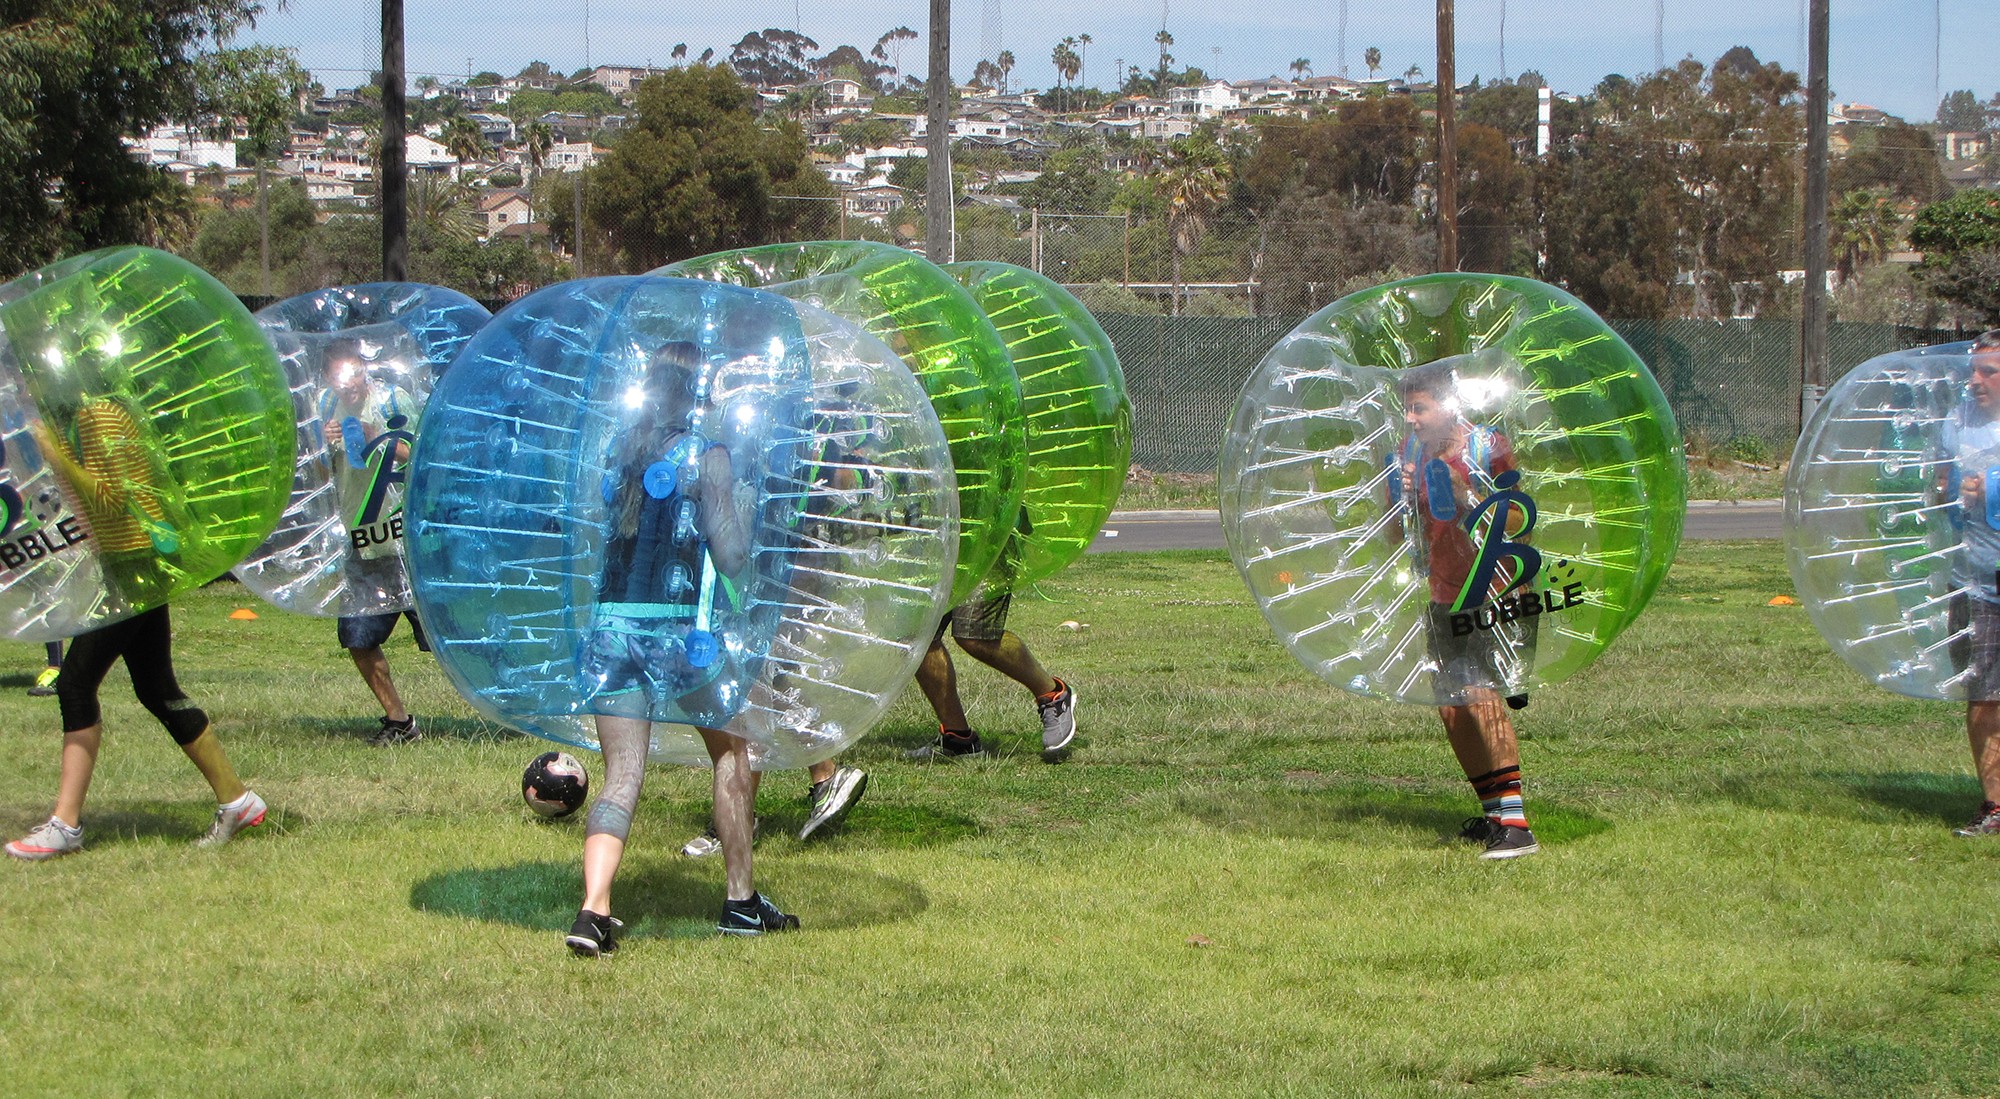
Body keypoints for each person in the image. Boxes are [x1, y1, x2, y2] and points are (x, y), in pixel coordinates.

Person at [566, 342, 797, 957]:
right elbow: (731, 556)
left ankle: (593, 911)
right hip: (680, 638)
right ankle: (740, 901)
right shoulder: (707, 456)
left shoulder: (620, 452)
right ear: (699, 394)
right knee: (733, 748)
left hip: (611, 631)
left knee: (623, 776)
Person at [6, 401, 264, 860]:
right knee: (157, 689)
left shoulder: (99, 416)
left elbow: (113, 498)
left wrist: (55, 452)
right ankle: (237, 800)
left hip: (139, 563)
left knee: (75, 683)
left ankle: (65, 824)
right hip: (128, 561)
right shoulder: (75, 419)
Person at [1392, 361, 1539, 859]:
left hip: (1491, 589)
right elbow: (1398, 531)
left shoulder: (1486, 448)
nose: (1411, 419)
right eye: (1406, 408)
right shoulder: (1410, 452)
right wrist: (1400, 494)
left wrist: (1463, 494)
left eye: (1420, 408)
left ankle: (1517, 826)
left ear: (1446, 405)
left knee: (1479, 692)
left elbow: (1519, 520)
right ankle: (1494, 813)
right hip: (1442, 592)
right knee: (1453, 708)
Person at [320, 353, 426, 746]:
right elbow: (322, 472)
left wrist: (374, 434)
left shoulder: (393, 401)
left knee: (451, 636)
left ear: (365, 369)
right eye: (339, 377)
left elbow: (422, 455)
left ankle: (508, 706)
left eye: (355, 373)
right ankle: (400, 722)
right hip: (362, 539)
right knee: (358, 637)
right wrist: (323, 445)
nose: (349, 384)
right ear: (328, 379)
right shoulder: (326, 406)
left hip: (408, 540)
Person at [905, 528, 1079, 763]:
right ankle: (959, 740)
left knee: (976, 635)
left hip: (991, 530)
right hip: (940, 531)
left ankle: (1053, 694)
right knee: (918, 635)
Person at [1943, 330, 2000, 838]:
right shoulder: (1957, 424)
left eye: (1989, 372)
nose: (1976, 381)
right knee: (1982, 691)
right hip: (1976, 577)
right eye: (1973, 371)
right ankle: (1995, 806)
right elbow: (1936, 492)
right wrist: (1952, 496)